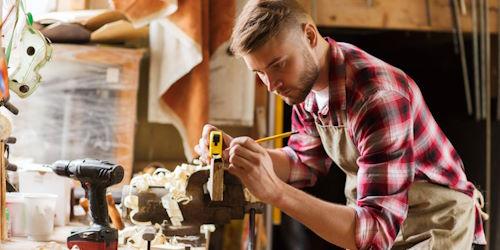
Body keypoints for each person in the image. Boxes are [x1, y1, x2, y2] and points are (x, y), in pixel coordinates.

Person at [194, 0, 487, 249]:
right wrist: (241, 157)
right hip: (379, 223)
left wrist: (276, 192)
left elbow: (374, 233)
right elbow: (303, 162)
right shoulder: (305, 84)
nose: (271, 85)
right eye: (259, 73)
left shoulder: (377, 98)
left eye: (278, 64)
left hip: (434, 226)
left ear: (309, 36)